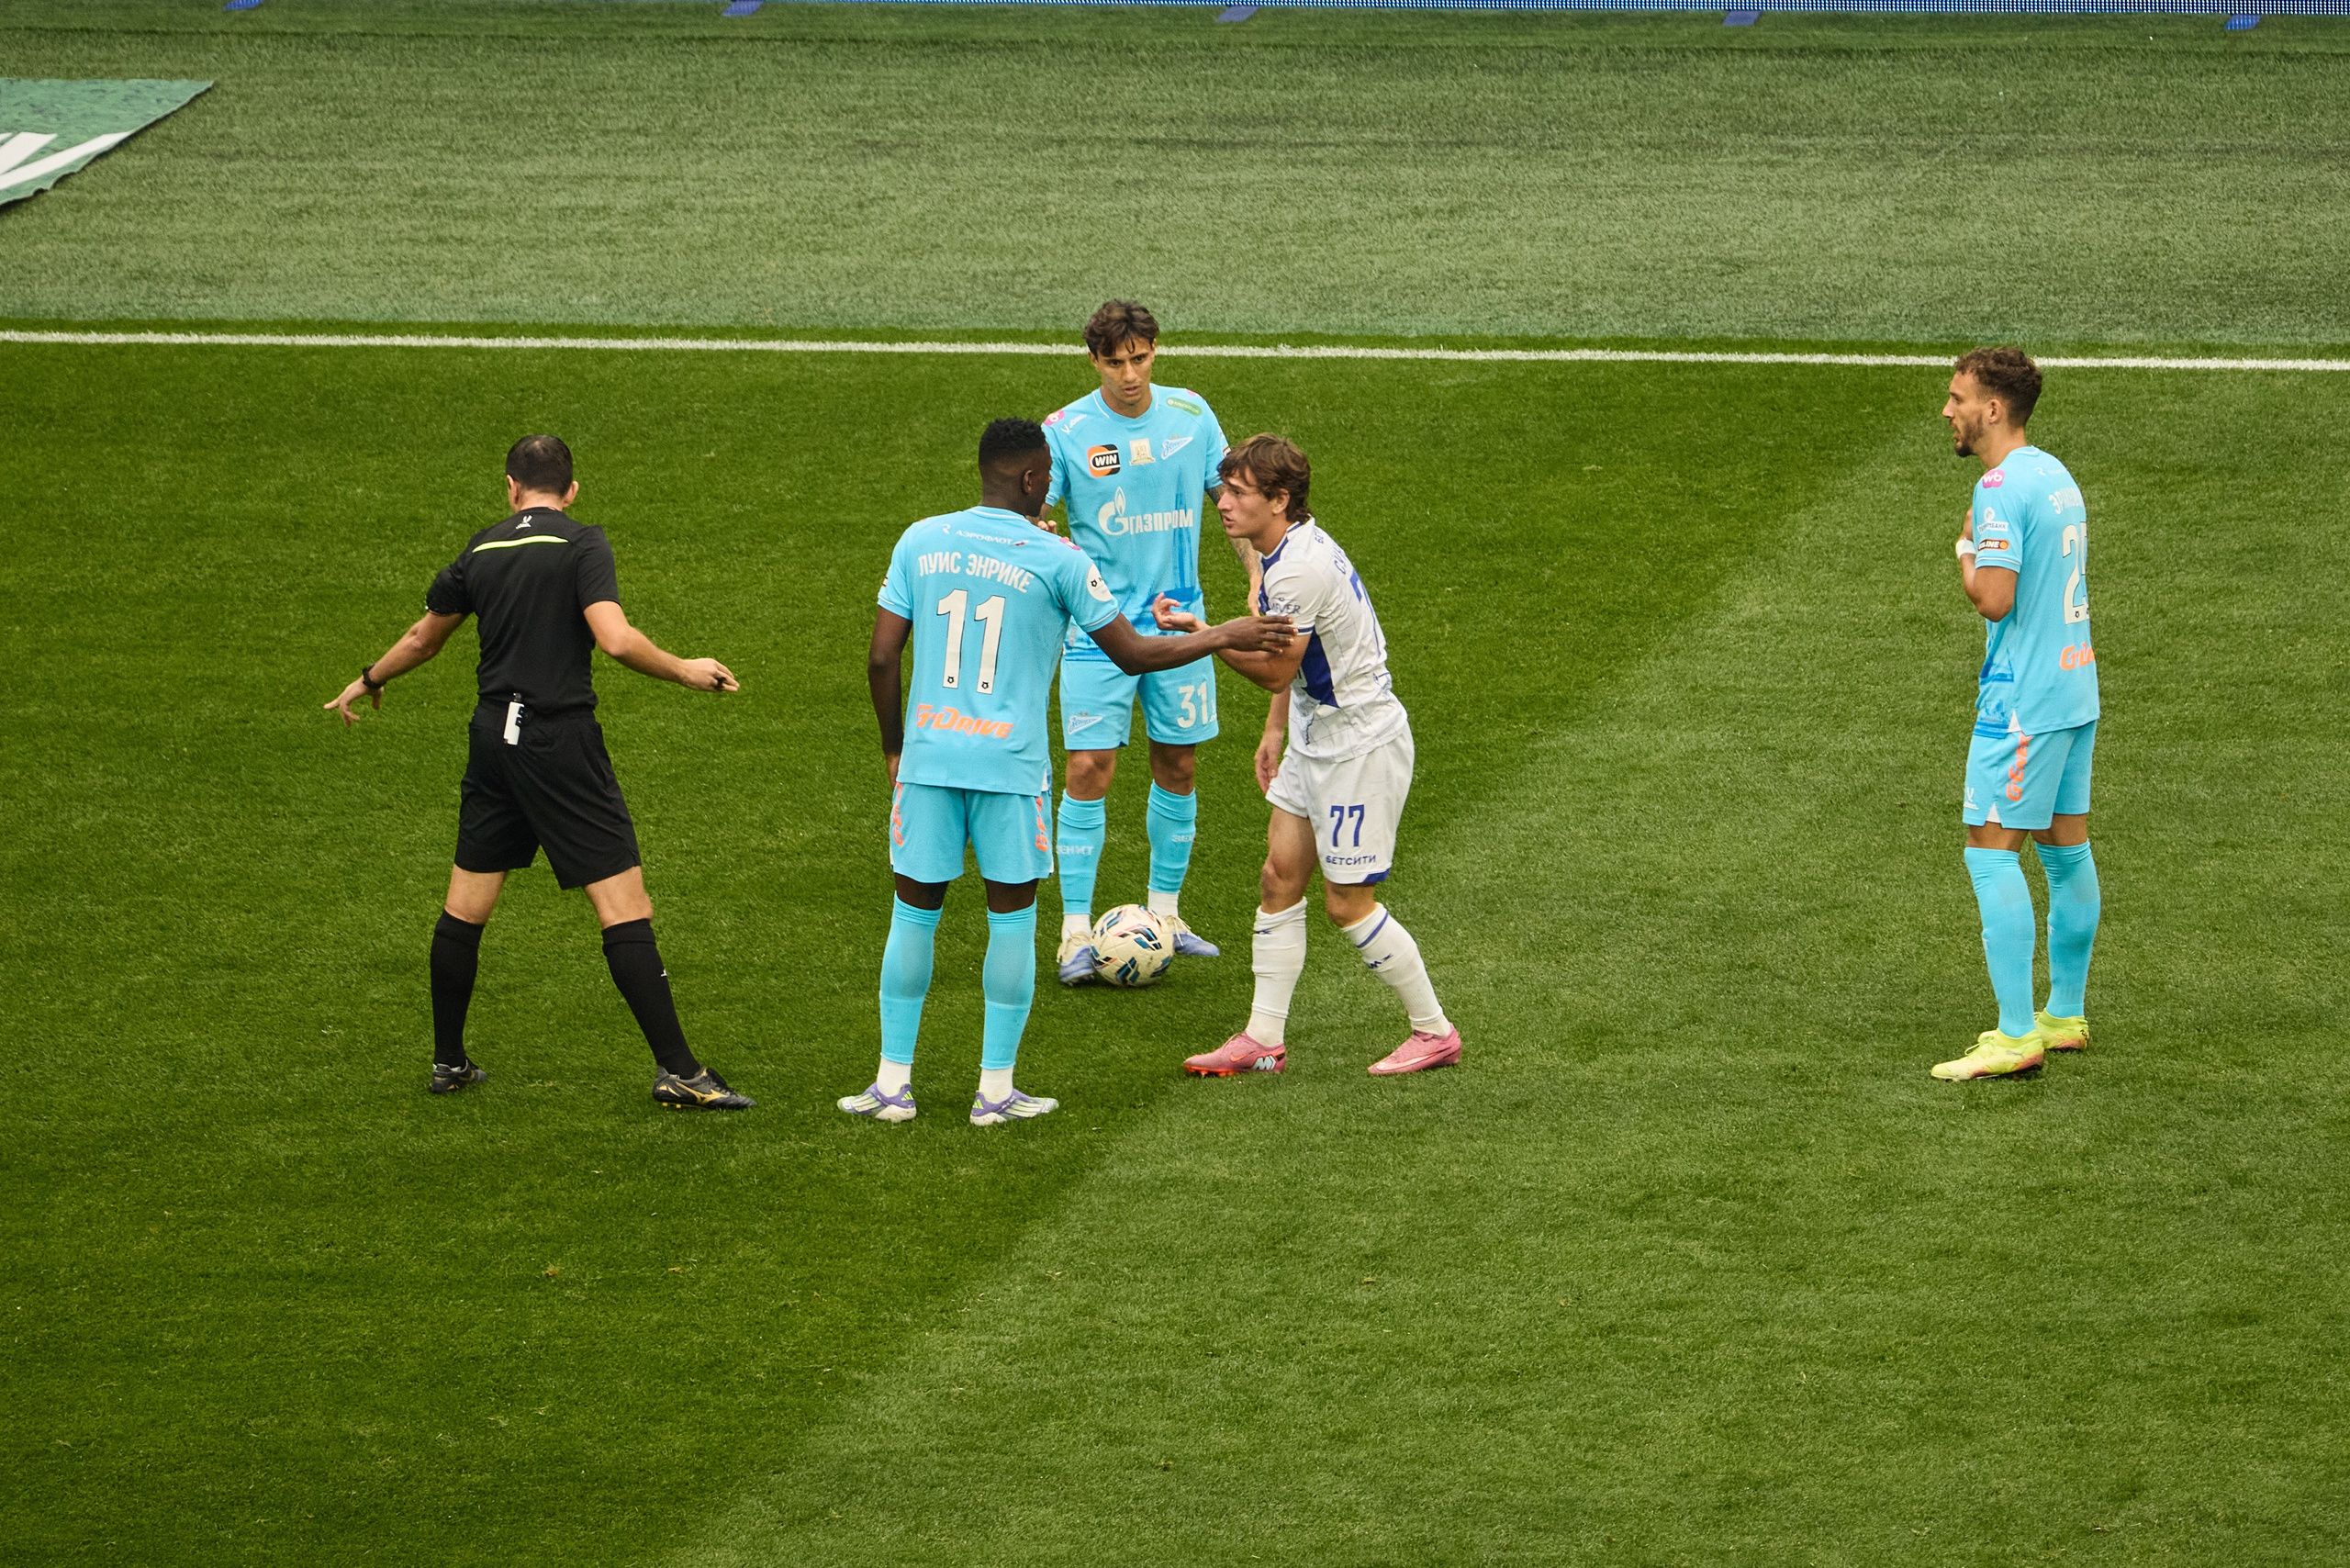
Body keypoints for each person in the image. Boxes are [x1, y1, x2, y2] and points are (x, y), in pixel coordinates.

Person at [840, 418, 1292, 1126]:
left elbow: (880, 657)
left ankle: (891, 1085)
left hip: (929, 759)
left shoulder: (919, 540)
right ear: (1029, 480)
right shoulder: (1060, 560)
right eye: (1048, 475)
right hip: (1012, 770)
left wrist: (897, 747)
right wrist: (1223, 633)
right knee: (1011, 923)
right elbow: (1136, 656)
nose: (1054, 485)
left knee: (914, 915)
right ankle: (994, 1092)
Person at [324, 435, 755, 1109]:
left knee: (465, 907)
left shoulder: (483, 546)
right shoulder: (582, 543)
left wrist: (367, 679)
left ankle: (448, 1062)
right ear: (572, 490)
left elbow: (422, 637)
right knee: (623, 906)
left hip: (492, 739)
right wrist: (684, 669)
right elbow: (613, 638)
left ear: (511, 487)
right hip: (558, 742)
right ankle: (680, 1073)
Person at [1154, 434, 1462, 1078]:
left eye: (1238, 493)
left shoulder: (1294, 570)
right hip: (1316, 734)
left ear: (1279, 499)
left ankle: (1434, 1032)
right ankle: (1264, 1036)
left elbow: (1273, 669)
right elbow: (1290, 668)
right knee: (1278, 876)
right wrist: (1276, 733)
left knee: (1347, 903)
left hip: (1358, 746)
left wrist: (1205, 638)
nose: (1224, 504)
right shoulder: (1280, 551)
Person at [1039, 300, 1251, 985]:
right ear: (1094, 361)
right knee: (1088, 769)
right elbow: (1035, 516)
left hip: (1181, 624)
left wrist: (1256, 580)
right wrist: (1056, 549)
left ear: (1155, 350)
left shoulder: (1191, 416)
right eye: (1115, 361)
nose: (1130, 374)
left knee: (1179, 764)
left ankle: (1166, 915)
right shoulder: (1066, 429)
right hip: (1098, 630)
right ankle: (1075, 931)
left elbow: (1236, 504)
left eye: (1141, 357)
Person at [1931, 348, 2103, 1081]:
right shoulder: (2054, 473)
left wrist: (1967, 549)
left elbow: (1995, 597)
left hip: (2022, 705)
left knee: (1989, 851)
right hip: (2074, 690)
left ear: (1992, 409)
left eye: (1958, 398)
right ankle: (2062, 1015)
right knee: (2066, 851)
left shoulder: (2000, 487)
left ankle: (2013, 1036)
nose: (1948, 411)